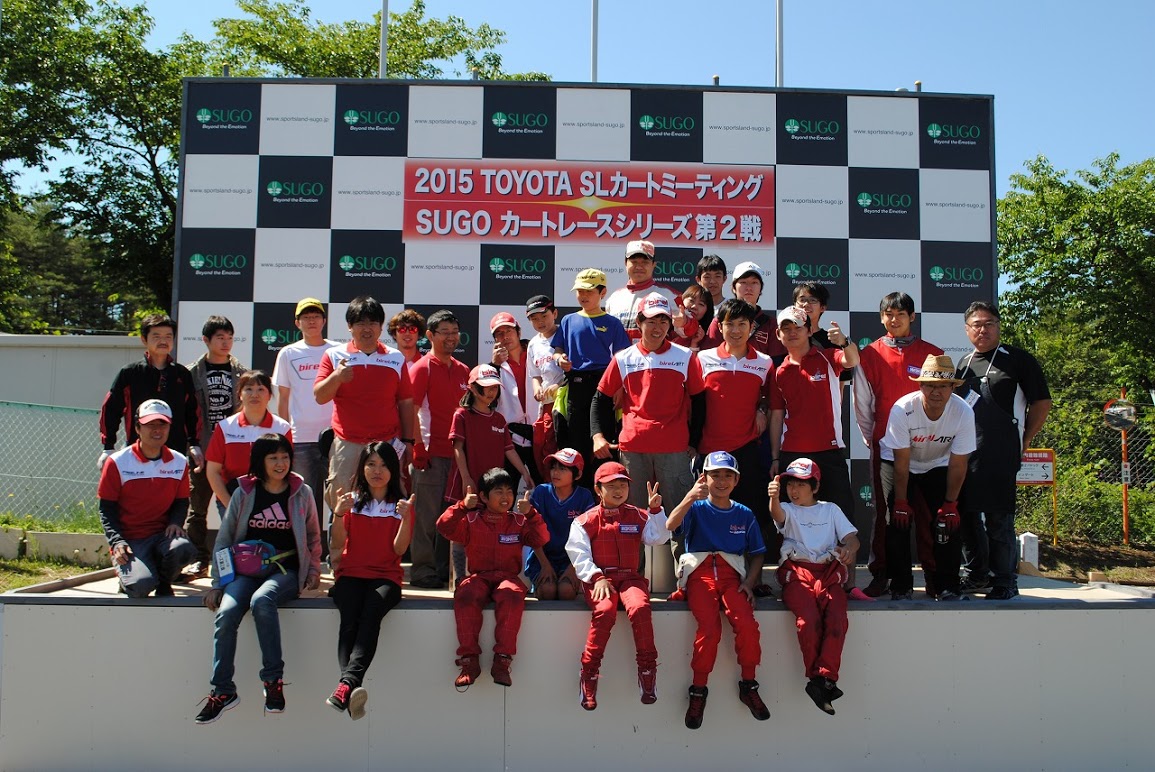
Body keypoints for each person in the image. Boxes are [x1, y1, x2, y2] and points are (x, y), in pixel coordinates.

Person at [195, 434, 322, 724]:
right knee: (227, 612)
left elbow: (313, 535)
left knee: (262, 600)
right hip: (245, 572)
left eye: (285, 457)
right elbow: (225, 538)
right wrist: (218, 583)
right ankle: (223, 690)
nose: (280, 463)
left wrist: (313, 570)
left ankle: (273, 682)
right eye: (272, 457)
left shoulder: (301, 492)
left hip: (285, 571)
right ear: (259, 461)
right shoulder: (244, 492)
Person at [592, 292, 703, 586]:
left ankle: (688, 582)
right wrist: (597, 435)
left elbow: (700, 401)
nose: (657, 327)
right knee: (631, 520)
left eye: (663, 321)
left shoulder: (685, 356)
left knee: (681, 516)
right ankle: (632, 582)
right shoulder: (623, 358)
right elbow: (600, 399)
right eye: (651, 321)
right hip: (633, 449)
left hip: (674, 449)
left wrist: (695, 441)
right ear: (639, 322)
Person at [665, 452, 771, 730]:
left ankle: (749, 684)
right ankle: (698, 690)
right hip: (699, 577)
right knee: (709, 630)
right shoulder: (696, 507)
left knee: (747, 625)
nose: (721, 481)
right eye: (715, 475)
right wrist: (690, 497)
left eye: (727, 476)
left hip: (731, 578)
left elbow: (758, 554)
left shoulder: (744, 513)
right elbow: (670, 525)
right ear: (704, 478)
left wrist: (749, 583)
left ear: (736, 480)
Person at [954, 301, 1051, 600]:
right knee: (968, 517)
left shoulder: (1019, 360)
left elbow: (1042, 402)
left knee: (998, 519)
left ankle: (1005, 580)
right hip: (966, 454)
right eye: (976, 325)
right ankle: (976, 575)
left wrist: (1026, 438)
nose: (982, 330)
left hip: (1000, 453)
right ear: (967, 329)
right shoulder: (963, 363)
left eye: (989, 324)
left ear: (998, 326)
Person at [853, 292, 944, 597]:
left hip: (928, 449)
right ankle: (884, 575)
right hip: (887, 448)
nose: (894, 319)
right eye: (889, 314)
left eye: (901, 314)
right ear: (881, 318)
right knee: (887, 516)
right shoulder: (870, 354)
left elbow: (944, 400)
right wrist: (876, 440)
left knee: (928, 514)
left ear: (912, 317)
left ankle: (934, 577)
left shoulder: (932, 354)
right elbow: (863, 405)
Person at [565, 462, 671, 711]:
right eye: (611, 485)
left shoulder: (638, 514)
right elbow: (578, 554)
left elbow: (659, 538)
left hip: (631, 579)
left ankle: (647, 671)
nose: (618, 490)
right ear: (598, 489)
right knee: (605, 611)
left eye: (623, 485)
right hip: (601, 580)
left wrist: (656, 511)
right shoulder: (585, 520)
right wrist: (596, 577)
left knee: (640, 608)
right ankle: (589, 674)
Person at [436, 467, 550, 689]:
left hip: (507, 578)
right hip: (479, 577)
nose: (506, 496)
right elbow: (443, 526)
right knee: (465, 595)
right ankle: (469, 662)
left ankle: (502, 661)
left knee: (512, 595)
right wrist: (461, 507)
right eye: (498, 491)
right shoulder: (470, 520)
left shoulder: (518, 521)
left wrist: (531, 514)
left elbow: (541, 538)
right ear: (483, 497)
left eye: (509, 491)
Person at [693, 298, 775, 594]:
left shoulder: (764, 361)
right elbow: (692, 403)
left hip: (747, 450)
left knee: (752, 515)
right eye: (730, 324)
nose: (736, 330)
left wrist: (762, 409)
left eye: (743, 324)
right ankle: (706, 580)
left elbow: (770, 399)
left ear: (751, 327)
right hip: (710, 452)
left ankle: (755, 579)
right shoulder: (702, 358)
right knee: (709, 516)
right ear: (720, 326)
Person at [326, 442, 413, 720]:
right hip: (350, 574)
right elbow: (337, 543)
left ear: (393, 469)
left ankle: (346, 684)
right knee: (349, 619)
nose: (377, 471)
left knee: (370, 614)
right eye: (371, 464)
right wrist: (338, 513)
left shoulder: (401, 504)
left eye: (384, 465)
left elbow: (399, 550)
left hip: (386, 577)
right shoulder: (350, 501)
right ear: (362, 468)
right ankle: (349, 687)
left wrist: (406, 518)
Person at [880, 355, 976, 601]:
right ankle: (900, 585)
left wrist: (950, 504)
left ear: (953, 387)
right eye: (930, 385)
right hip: (900, 463)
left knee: (948, 523)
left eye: (943, 386)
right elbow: (901, 463)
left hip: (939, 463)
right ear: (920, 386)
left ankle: (947, 585)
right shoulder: (903, 408)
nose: (936, 392)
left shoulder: (963, 412)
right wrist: (901, 502)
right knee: (897, 521)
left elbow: (959, 464)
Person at [769, 459, 859, 716]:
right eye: (790, 484)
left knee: (837, 619)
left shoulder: (831, 509)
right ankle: (819, 678)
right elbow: (777, 515)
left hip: (828, 573)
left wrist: (848, 548)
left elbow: (852, 539)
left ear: (815, 486)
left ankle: (824, 679)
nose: (794, 490)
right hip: (797, 573)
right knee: (808, 619)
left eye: (801, 484)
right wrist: (773, 497)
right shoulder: (787, 508)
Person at [314, 296, 414, 517]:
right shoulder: (334, 355)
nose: (367, 329)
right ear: (350, 326)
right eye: (360, 323)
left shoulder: (396, 357)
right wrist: (336, 377)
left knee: (389, 507)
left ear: (381, 327)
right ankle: (339, 541)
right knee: (341, 509)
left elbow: (406, 402)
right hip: (347, 444)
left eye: (372, 323)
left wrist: (408, 442)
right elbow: (320, 396)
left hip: (387, 444)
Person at [768, 307, 859, 548]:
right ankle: (797, 568)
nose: (792, 332)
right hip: (792, 454)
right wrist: (776, 457)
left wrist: (845, 342)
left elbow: (852, 360)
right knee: (792, 522)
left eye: (797, 327)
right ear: (778, 335)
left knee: (843, 518)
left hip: (829, 451)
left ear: (809, 331)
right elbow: (776, 416)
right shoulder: (778, 372)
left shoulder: (828, 356)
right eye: (786, 329)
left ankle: (845, 573)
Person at [447, 364, 536, 585]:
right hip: (467, 482)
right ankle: (458, 578)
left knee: (487, 529)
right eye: (486, 387)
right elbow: (458, 448)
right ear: (473, 387)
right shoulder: (461, 415)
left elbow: (509, 449)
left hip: (491, 486)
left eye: (495, 387)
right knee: (461, 528)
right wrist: (466, 477)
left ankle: (485, 577)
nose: (491, 392)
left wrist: (524, 472)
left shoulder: (499, 419)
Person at [97, 399, 197, 597]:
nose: (157, 430)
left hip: (162, 536)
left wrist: (175, 523)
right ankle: (129, 579)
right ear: (137, 428)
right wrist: (117, 541)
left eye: (162, 424)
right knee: (141, 586)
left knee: (184, 549)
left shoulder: (179, 461)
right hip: (130, 539)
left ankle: (164, 584)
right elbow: (106, 509)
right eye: (150, 424)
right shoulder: (117, 462)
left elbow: (181, 501)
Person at [408, 309, 470, 589]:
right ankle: (422, 570)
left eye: (454, 332)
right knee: (425, 516)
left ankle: (446, 570)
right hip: (430, 455)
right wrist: (417, 446)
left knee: (450, 516)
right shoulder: (422, 368)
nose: (451, 337)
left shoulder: (463, 370)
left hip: (456, 457)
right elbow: (411, 410)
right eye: (445, 332)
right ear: (430, 335)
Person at [550, 268, 631, 476]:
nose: (583, 296)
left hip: (604, 385)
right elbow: (557, 350)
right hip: (575, 386)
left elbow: (622, 358)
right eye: (580, 291)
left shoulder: (612, 323)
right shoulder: (568, 320)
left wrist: (619, 387)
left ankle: (604, 486)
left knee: (604, 441)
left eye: (589, 291)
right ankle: (580, 488)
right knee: (575, 442)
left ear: (602, 292)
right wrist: (560, 359)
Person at [272, 298, 336, 559]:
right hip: (300, 440)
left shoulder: (337, 351)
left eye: (316, 316)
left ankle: (336, 557)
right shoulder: (288, 353)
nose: (311, 321)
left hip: (334, 438)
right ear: (297, 323)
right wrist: (284, 437)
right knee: (303, 502)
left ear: (324, 321)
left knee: (337, 500)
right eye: (306, 317)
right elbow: (283, 399)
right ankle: (307, 556)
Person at [185, 316, 247, 577]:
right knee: (197, 507)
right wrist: (192, 444)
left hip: (232, 450)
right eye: (220, 337)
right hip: (201, 448)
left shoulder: (242, 373)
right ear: (206, 340)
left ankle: (239, 558)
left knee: (237, 507)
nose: (226, 343)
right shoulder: (191, 373)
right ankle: (198, 559)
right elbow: (186, 414)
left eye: (229, 338)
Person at [99, 313, 201, 469]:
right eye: (156, 336)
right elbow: (111, 410)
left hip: (174, 454)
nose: (163, 341)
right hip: (137, 453)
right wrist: (108, 447)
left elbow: (193, 412)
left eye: (168, 336)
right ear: (144, 339)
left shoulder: (182, 374)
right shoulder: (130, 373)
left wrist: (194, 444)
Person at [205, 370, 292, 513]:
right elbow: (212, 472)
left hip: (271, 502)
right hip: (233, 498)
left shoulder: (282, 428)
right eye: (249, 389)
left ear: (270, 395)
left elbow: (288, 470)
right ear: (240, 394)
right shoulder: (225, 427)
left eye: (261, 389)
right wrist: (231, 506)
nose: (254, 394)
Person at [524, 448, 597, 601]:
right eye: (553, 467)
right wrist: (545, 565)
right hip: (542, 557)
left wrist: (574, 568)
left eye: (563, 469)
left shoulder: (584, 496)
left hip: (572, 559)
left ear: (577, 475)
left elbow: (589, 535)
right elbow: (532, 533)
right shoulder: (541, 492)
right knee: (548, 590)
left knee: (566, 591)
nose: (555, 472)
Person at [489, 311, 537, 483]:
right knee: (504, 489)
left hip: (539, 434)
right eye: (499, 333)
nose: (505, 337)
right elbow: (486, 401)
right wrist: (494, 366)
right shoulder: (493, 368)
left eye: (509, 331)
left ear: (519, 332)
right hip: (510, 438)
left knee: (544, 488)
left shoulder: (536, 354)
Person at [701, 262, 785, 360]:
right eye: (743, 282)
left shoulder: (771, 324)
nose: (749, 288)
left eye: (754, 282)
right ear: (734, 288)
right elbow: (709, 359)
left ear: (760, 289)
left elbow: (776, 362)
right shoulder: (720, 320)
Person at [604, 239, 682, 339]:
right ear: (625, 263)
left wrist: (685, 323)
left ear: (653, 265)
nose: (639, 267)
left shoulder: (670, 295)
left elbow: (689, 332)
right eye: (634, 262)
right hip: (620, 350)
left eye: (645, 262)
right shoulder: (614, 298)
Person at [523, 295, 565, 479]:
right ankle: (550, 486)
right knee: (544, 448)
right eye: (534, 318)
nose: (540, 322)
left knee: (563, 449)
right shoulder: (533, 344)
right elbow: (535, 375)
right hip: (547, 406)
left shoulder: (567, 334)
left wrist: (558, 385)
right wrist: (537, 388)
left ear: (554, 313)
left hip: (567, 403)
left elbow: (578, 368)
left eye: (544, 316)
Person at [672, 283, 713, 351]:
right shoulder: (667, 314)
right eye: (691, 301)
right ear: (682, 299)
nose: (694, 306)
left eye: (701, 304)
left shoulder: (707, 337)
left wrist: (694, 344)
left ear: (707, 310)